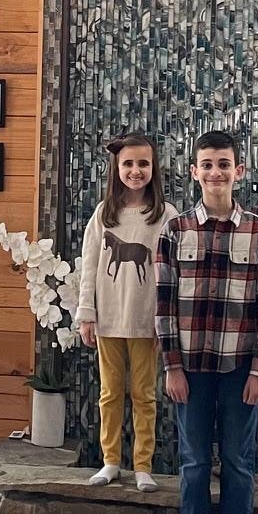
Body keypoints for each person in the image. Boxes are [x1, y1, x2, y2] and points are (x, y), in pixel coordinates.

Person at [156, 130, 258, 514]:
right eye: (206, 164)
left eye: (223, 164)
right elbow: (163, 304)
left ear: (238, 171)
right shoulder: (175, 230)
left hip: (240, 367)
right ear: (194, 171)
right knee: (193, 461)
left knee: (238, 461)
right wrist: (171, 367)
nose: (215, 172)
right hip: (189, 369)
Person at [75, 134, 177, 492]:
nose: (136, 170)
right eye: (128, 164)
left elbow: (173, 272)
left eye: (143, 163)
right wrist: (86, 314)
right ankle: (111, 461)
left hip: (146, 321)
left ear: (154, 168)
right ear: (117, 169)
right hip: (109, 320)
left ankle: (143, 465)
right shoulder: (104, 214)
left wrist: (167, 321)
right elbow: (89, 266)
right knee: (110, 393)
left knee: (144, 394)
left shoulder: (165, 216)